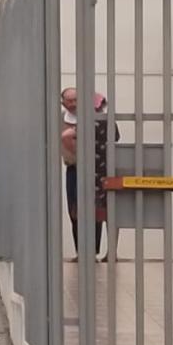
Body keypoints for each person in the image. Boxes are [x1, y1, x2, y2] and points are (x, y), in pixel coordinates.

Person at [60, 88, 116, 261]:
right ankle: (80, 252)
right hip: (73, 168)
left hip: (95, 170)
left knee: (94, 209)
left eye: (76, 99)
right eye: (69, 100)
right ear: (63, 102)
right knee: (74, 210)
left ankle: (92, 252)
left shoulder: (93, 116)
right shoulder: (60, 119)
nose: (73, 103)